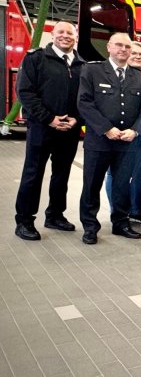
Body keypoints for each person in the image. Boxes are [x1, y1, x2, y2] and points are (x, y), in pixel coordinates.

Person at [77, 33, 141, 244]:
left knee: (121, 185)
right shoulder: (92, 70)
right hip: (99, 141)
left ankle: (120, 223)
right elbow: (84, 103)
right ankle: (90, 226)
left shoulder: (139, 77)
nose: (123, 49)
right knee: (92, 185)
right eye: (119, 45)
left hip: (126, 143)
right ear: (109, 47)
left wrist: (136, 130)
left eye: (127, 47)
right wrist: (106, 128)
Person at [14, 21, 85, 241]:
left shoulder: (83, 65)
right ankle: (24, 221)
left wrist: (77, 119)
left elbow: (87, 99)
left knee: (61, 176)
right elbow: (25, 92)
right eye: (60, 32)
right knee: (33, 175)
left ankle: (55, 215)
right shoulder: (35, 58)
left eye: (70, 33)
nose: (65, 36)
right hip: (41, 129)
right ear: (52, 35)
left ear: (76, 36)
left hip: (70, 131)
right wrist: (49, 119)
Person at [106, 41, 141, 221]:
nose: (138, 57)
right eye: (134, 53)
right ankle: (117, 211)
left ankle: (136, 211)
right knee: (116, 174)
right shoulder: (113, 76)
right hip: (118, 134)